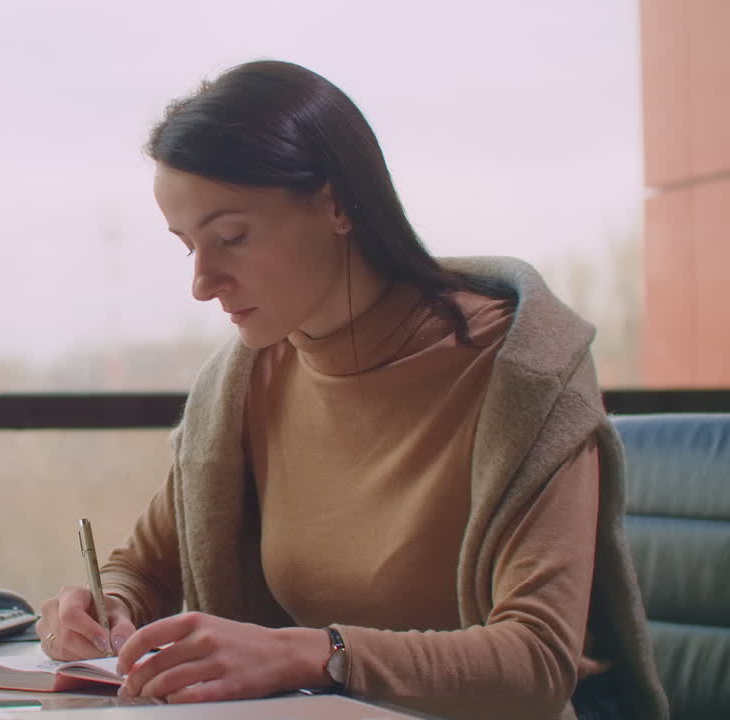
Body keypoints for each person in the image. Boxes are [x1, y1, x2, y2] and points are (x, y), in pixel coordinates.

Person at [35, 60, 667, 720]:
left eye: (231, 237)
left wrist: (312, 654)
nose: (202, 282)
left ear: (336, 204)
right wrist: (105, 606)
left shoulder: (523, 378)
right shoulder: (241, 386)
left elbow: (537, 661)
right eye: (187, 245)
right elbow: (146, 567)